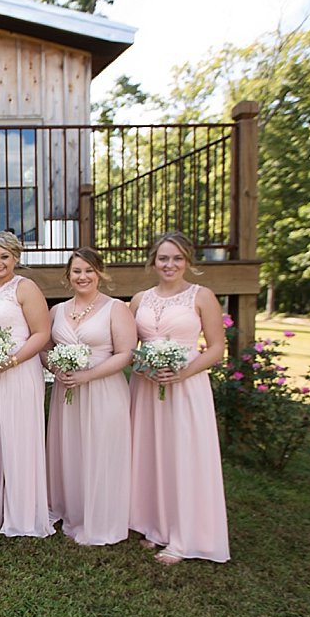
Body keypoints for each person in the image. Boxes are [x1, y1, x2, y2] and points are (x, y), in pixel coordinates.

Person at [128, 232, 230, 564]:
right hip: (147, 387)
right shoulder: (140, 300)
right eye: (163, 258)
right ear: (153, 261)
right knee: (151, 454)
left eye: (177, 258)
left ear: (187, 261)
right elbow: (128, 346)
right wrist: (143, 367)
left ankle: (185, 537)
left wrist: (182, 373)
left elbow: (216, 348)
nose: (169, 264)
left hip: (186, 388)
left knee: (183, 455)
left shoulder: (202, 296)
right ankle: (156, 525)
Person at [44, 247, 133, 545]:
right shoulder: (56, 311)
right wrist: (55, 367)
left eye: (89, 271)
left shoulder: (115, 308)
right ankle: (73, 508)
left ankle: (102, 514)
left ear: (99, 273)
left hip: (104, 391)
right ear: (68, 276)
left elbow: (125, 354)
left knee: (101, 450)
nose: (83, 277)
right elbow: (44, 349)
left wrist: (87, 376)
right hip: (67, 393)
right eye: (77, 271)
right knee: (71, 449)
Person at [0, 231, 54, 538]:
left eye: (4, 256)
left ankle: (22, 510)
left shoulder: (25, 287)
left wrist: (12, 360)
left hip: (19, 371)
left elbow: (41, 333)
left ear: (15, 257)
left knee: (18, 435)